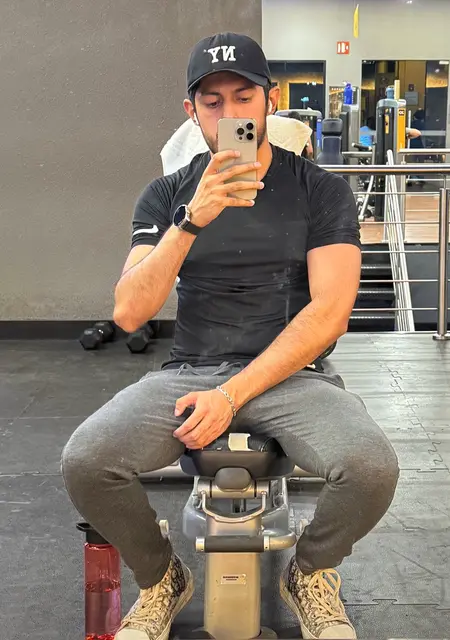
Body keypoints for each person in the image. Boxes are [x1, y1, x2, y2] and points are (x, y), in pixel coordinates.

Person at [61, 32, 399, 640]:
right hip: (190, 372)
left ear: (271, 100)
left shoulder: (320, 190)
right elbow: (131, 312)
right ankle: (161, 578)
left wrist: (232, 395)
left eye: (244, 96)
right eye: (212, 102)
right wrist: (191, 221)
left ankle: (310, 572)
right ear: (191, 112)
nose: (230, 113)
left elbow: (329, 313)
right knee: (87, 461)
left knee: (370, 468)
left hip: (292, 374)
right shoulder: (168, 194)